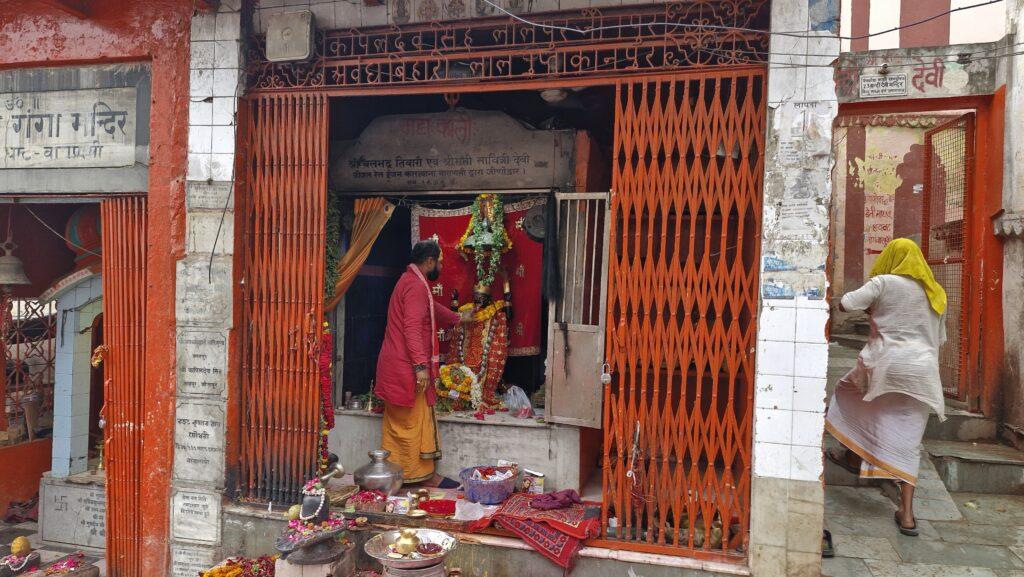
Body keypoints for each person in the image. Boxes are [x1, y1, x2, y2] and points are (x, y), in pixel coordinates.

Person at [825, 238, 947, 537]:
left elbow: (845, 304)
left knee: (846, 393)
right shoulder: (935, 292)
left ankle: (853, 453)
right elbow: (939, 338)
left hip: (884, 364)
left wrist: (872, 309)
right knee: (909, 441)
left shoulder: (883, 283)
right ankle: (907, 515)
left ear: (891, 257)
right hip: (922, 371)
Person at [374, 239, 474, 486]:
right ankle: (415, 476)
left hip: (399, 365)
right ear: (429, 261)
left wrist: (458, 317)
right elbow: (412, 328)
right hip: (405, 368)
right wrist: (420, 367)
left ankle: (409, 474)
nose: (440, 266)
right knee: (409, 423)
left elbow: (432, 309)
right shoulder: (416, 286)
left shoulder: (412, 282)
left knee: (409, 422)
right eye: (439, 262)